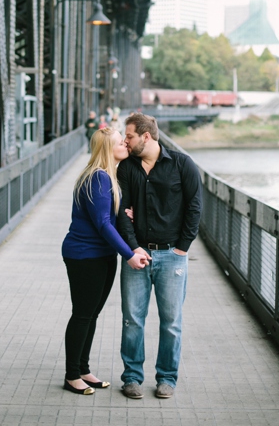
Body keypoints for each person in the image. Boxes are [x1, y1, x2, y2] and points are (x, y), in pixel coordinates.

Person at [115, 113, 201, 400]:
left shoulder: (182, 164)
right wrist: (132, 247)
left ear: (146, 136)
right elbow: (121, 211)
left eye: (129, 137)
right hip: (136, 256)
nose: (125, 142)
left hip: (172, 256)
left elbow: (194, 207)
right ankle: (132, 378)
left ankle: (166, 378)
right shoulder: (127, 168)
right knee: (132, 320)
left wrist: (182, 248)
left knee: (171, 322)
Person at [60, 128, 150, 396]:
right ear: (108, 149)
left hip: (101, 255)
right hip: (85, 255)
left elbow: (108, 217)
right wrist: (130, 254)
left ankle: (83, 369)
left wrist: (124, 213)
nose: (125, 143)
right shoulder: (98, 178)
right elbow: (101, 224)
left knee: (91, 314)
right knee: (83, 314)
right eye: (120, 141)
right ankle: (71, 375)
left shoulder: (108, 177)